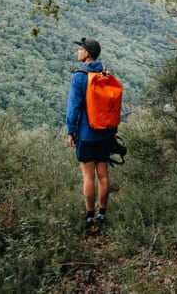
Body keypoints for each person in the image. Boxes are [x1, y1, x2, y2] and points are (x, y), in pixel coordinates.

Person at [66, 36, 116, 232]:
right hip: (105, 133)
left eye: (80, 49)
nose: (78, 51)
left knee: (88, 176)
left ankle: (89, 216)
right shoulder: (106, 74)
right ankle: (102, 213)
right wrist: (113, 130)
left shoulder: (79, 77)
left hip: (86, 134)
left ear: (87, 53)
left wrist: (71, 131)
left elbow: (74, 108)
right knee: (103, 175)